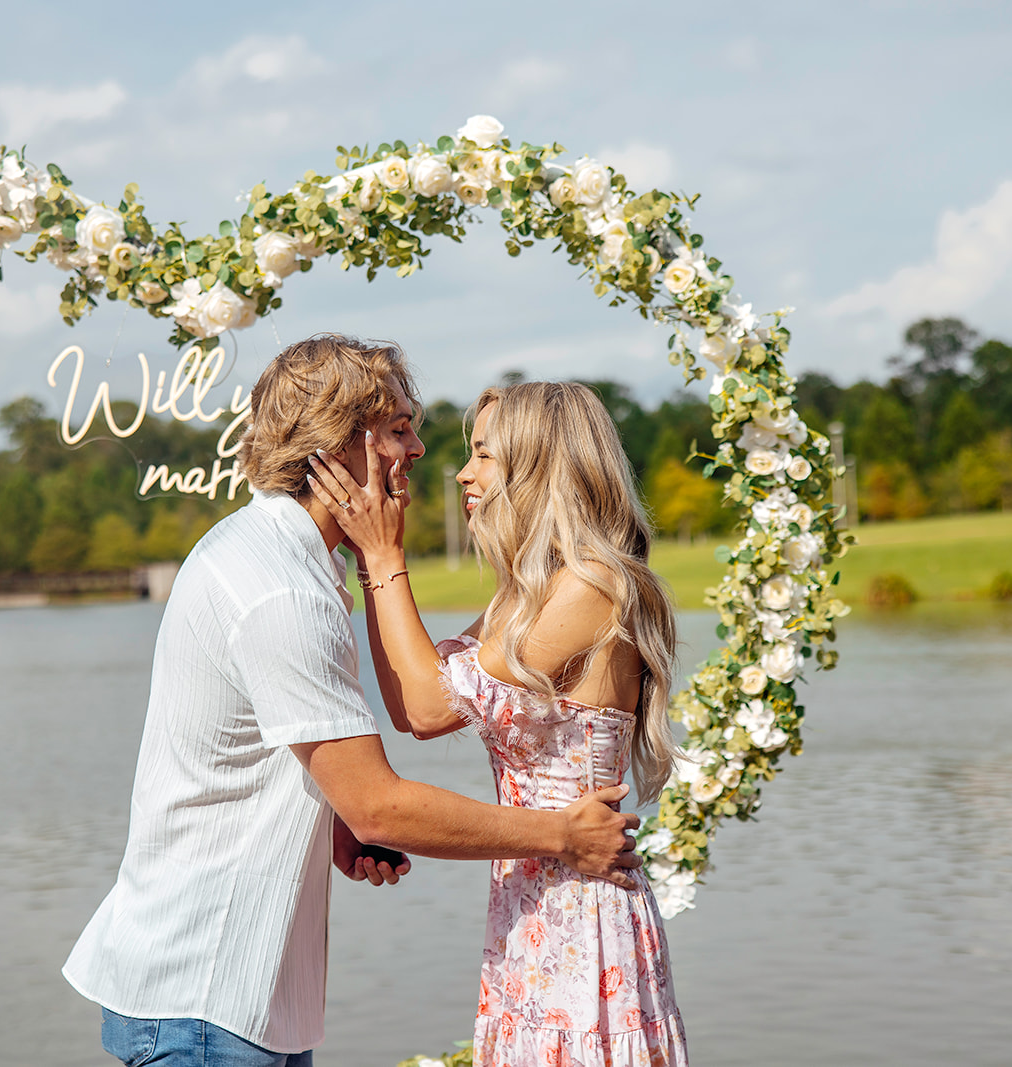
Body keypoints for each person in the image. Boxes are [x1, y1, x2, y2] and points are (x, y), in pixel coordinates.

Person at [63, 337, 642, 1067]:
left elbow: (332, 749)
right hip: (207, 994)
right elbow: (385, 798)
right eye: (400, 427)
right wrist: (562, 835)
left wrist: (324, 805)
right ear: (340, 445)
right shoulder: (281, 589)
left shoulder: (289, 563)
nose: (422, 449)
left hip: (240, 997)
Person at [306, 380, 689, 1067]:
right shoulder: (526, 597)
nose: (461, 472)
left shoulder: (595, 585)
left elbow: (425, 704)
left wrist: (390, 558)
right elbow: (412, 711)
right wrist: (371, 565)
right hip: (527, 907)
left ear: (538, 463)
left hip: (583, 911)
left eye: (483, 454)